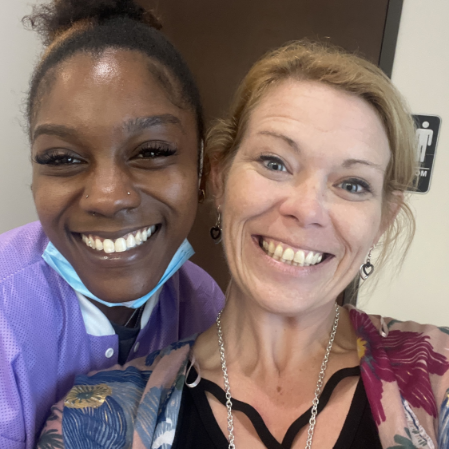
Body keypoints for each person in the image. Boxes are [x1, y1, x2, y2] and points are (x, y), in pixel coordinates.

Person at [38, 40, 449, 449]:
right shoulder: (92, 418)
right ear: (218, 177)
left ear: (382, 221)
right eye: (275, 163)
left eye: (353, 184)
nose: (307, 210)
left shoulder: (436, 373)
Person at [0, 1, 226, 448]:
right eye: (63, 158)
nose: (108, 197)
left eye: (151, 152)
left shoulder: (206, 309)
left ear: (204, 172)